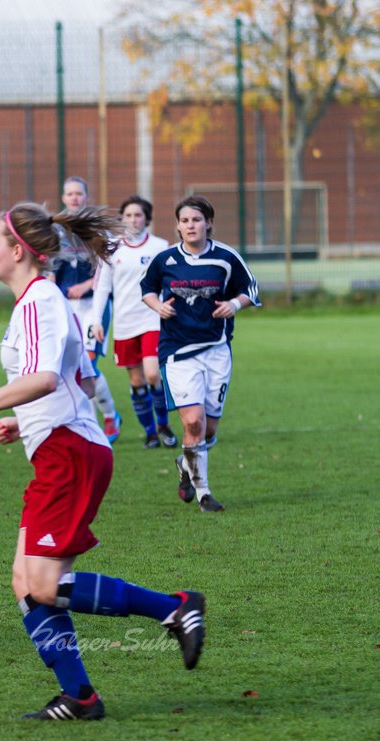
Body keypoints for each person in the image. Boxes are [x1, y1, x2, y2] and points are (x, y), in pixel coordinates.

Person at [0, 201, 205, 721]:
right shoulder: (41, 301)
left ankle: (173, 607)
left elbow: (43, 379)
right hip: (59, 445)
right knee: (25, 583)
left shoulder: (39, 301)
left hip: (69, 454)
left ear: (19, 251)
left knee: (42, 585)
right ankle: (80, 696)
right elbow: (77, 378)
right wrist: (25, 422)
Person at [141, 195, 259, 512]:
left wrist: (234, 304)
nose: (190, 225)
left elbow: (251, 289)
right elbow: (147, 288)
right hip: (177, 351)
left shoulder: (225, 257)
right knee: (192, 422)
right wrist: (157, 305)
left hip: (217, 350)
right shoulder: (165, 261)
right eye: (185, 221)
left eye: (196, 220)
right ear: (178, 226)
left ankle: (186, 464)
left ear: (208, 223)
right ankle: (204, 493)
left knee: (207, 430)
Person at [88, 195, 177, 449]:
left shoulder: (159, 246)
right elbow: (102, 288)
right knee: (136, 381)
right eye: (128, 215)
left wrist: (170, 304)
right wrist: (97, 321)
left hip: (152, 320)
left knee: (152, 374)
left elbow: (171, 280)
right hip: (125, 324)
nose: (133, 220)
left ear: (146, 218)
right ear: (122, 219)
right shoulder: (112, 247)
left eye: (138, 215)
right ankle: (150, 433)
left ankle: (164, 426)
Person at [53, 177, 121, 444]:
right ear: (63, 197)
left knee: (89, 362)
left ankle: (103, 419)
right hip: (66, 306)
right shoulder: (56, 229)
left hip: (95, 305)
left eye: (79, 193)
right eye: (69, 194)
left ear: (86, 196)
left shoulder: (97, 228)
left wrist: (86, 285)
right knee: (73, 365)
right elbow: (47, 267)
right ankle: (98, 419)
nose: (74, 198)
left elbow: (110, 264)